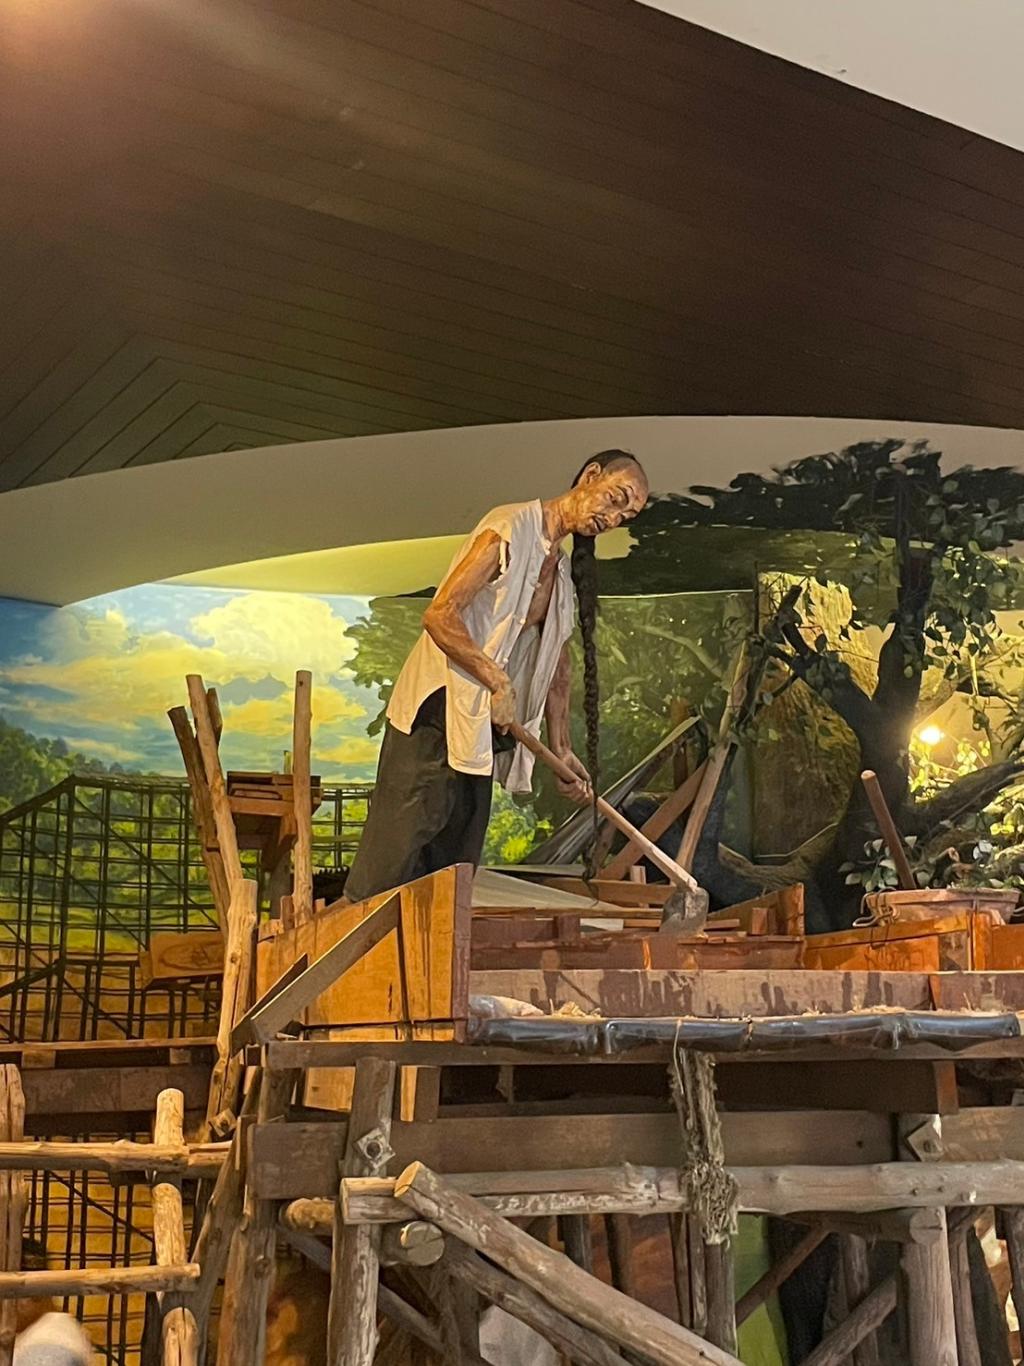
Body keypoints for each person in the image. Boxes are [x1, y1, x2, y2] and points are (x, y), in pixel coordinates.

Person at [343, 450, 650, 904]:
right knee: (398, 849)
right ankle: (362, 937)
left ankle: (434, 942)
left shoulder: (561, 570)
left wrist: (562, 747)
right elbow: (440, 614)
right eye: (616, 498)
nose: (614, 517)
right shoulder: (508, 528)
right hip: (436, 711)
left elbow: (557, 662)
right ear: (590, 476)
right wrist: (498, 681)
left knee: (455, 862)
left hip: (480, 723)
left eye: (626, 516)